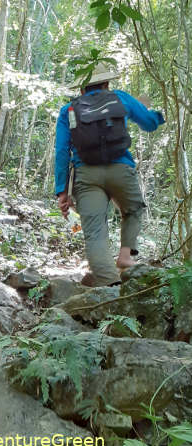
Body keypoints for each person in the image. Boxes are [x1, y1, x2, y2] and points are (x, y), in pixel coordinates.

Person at [55, 63, 165, 286]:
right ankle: (125, 256)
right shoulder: (121, 98)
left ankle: (110, 289)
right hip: (121, 170)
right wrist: (155, 113)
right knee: (133, 208)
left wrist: (61, 192)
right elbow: (150, 123)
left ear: (81, 88)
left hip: (86, 176)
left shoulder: (68, 110)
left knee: (94, 233)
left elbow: (61, 151)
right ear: (107, 83)